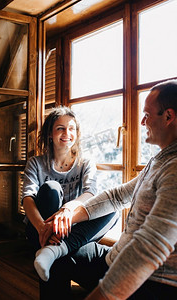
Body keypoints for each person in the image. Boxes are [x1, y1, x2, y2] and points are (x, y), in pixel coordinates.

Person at [45, 80, 177, 299]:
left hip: (151, 280)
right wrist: (67, 215)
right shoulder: (160, 160)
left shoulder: (174, 168)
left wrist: (102, 295)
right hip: (116, 257)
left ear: (168, 116)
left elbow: (150, 247)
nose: (142, 121)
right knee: (57, 254)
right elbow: (117, 196)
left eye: (147, 114)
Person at [22, 106, 118, 283]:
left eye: (71, 128)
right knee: (51, 188)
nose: (67, 133)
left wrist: (68, 208)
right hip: (39, 229)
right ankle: (54, 248)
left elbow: (91, 192)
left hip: (71, 229)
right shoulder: (36, 163)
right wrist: (44, 228)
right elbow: (27, 199)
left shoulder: (85, 162)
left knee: (112, 209)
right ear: (50, 134)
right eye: (60, 128)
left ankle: (53, 250)